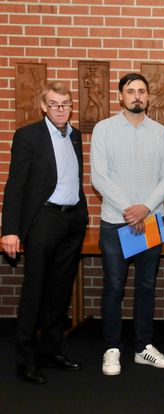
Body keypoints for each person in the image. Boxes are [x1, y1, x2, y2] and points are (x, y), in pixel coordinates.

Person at [2, 82, 89, 384]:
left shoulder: (74, 135)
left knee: (60, 291)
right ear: (43, 106)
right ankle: (25, 360)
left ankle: (51, 351)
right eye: (54, 104)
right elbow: (15, 186)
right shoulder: (28, 136)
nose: (61, 109)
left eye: (65, 104)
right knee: (35, 291)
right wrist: (10, 230)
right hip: (43, 220)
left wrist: (81, 214)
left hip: (72, 222)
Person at [91, 73, 164, 376]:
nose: (137, 95)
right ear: (120, 96)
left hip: (150, 220)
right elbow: (99, 176)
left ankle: (143, 347)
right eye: (130, 91)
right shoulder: (104, 129)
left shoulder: (161, 134)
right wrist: (130, 210)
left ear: (148, 97)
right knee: (114, 287)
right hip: (116, 222)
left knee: (146, 286)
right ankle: (112, 348)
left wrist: (145, 209)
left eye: (141, 91)